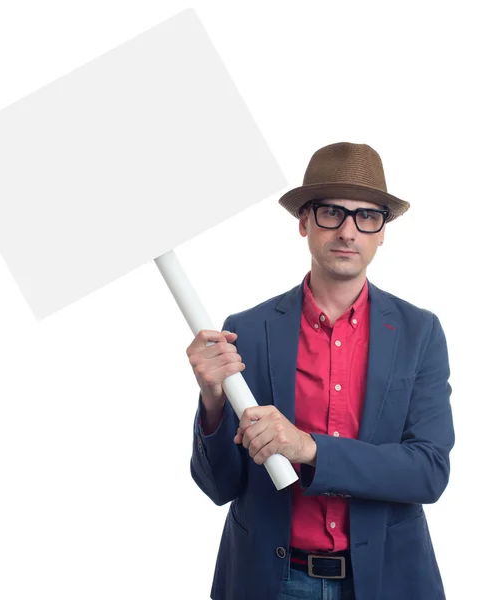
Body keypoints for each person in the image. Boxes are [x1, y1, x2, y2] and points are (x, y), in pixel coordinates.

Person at [187, 142, 455, 600]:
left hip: (387, 579)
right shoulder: (246, 332)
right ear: (304, 221)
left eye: (367, 216)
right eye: (332, 212)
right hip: (270, 580)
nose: (348, 231)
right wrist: (213, 402)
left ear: (382, 231)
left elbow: (428, 472)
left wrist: (308, 449)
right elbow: (219, 487)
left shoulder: (419, 332)